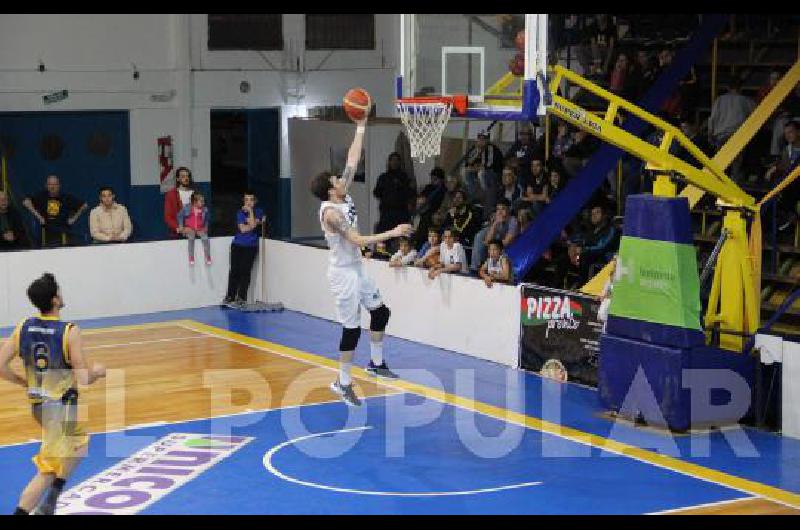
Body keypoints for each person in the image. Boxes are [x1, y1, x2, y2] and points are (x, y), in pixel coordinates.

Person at [310, 115, 412, 407]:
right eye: (336, 179)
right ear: (331, 190)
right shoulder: (332, 213)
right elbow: (355, 240)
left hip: (356, 267)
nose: (341, 179)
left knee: (381, 314)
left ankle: (376, 364)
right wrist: (392, 232)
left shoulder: (342, 194)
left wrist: (361, 125)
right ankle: (342, 383)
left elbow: (353, 157)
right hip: (342, 274)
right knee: (352, 329)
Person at [0, 273, 106, 515]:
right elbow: (83, 378)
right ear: (55, 300)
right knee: (47, 470)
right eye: (59, 291)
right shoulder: (69, 331)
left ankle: (51, 501)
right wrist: (98, 372)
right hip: (59, 408)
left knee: (80, 444)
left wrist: (23, 382)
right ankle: (27, 510)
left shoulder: (23, 327)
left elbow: (0, 366)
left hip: (39, 406)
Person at [708, 79, 756, 182]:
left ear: (728, 88)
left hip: (720, 137)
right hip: (737, 136)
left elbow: (712, 119)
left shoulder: (719, 100)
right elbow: (756, 117)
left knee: (719, 168)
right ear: (741, 88)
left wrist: (710, 135)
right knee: (736, 169)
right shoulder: (746, 101)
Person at [224, 191, 265, 306]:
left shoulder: (259, 211)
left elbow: (252, 225)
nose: (248, 202)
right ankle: (230, 296)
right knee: (234, 271)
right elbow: (243, 229)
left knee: (245, 271)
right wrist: (252, 223)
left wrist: (251, 213)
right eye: (246, 200)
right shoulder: (240, 212)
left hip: (251, 246)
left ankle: (241, 297)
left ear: (255, 201)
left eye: (251, 199)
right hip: (237, 245)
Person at [22, 175, 87, 248]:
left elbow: (84, 205)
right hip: (47, 233)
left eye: (55, 184)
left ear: (59, 185)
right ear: (46, 186)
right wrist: (39, 217)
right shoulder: (41, 196)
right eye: (50, 184)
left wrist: (74, 219)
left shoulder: (66, 197)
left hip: (63, 232)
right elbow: (26, 202)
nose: (52, 187)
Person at [470, 198, 519, 273]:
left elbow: (506, 242)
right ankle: (475, 268)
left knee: (494, 247)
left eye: (503, 209)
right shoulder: (496, 220)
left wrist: (493, 245)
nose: (500, 212)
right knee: (479, 236)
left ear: (509, 210)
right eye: (498, 209)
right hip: (497, 244)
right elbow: (487, 241)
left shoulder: (513, 221)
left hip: (510, 247)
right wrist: (495, 223)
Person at [373, 152, 415, 234]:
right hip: (387, 212)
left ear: (399, 162)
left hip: (401, 212)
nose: (394, 162)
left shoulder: (404, 177)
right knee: (385, 235)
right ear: (389, 162)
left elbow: (410, 193)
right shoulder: (383, 177)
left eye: (396, 160)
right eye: (392, 160)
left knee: (402, 237)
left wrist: (400, 186)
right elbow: (376, 193)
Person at [178, 191, 211, 266]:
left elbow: (206, 219)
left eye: (203, 201)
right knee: (191, 239)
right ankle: (191, 257)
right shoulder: (187, 208)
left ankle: (208, 256)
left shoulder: (205, 209)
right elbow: (179, 215)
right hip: (190, 229)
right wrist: (181, 226)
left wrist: (205, 227)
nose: (203, 203)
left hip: (200, 229)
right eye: (201, 201)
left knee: (205, 239)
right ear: (195, 202)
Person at [164, 167, 196, 238]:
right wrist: (181, 229)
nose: (186, 178)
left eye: (188, 176)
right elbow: (168, 217)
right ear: (177, 179)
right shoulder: (171, 194)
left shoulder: (196, 193)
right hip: (177, 234)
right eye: (183, 176)